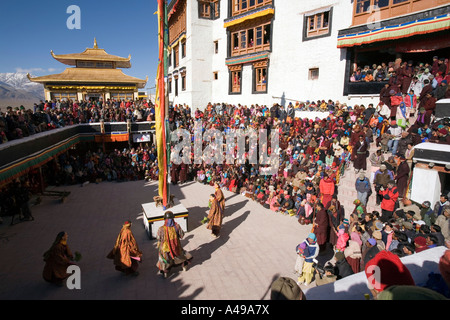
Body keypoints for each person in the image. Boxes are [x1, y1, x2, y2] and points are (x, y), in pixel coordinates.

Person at [156, 211, 192, 278]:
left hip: (165, 249)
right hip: (176, 247)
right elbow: (182, 235)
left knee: (165, 259)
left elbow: (158, 238)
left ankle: (165, 272)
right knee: (181, 256)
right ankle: (184, 266)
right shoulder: (177, 226)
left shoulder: (161, 229)